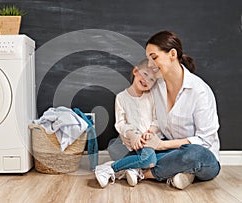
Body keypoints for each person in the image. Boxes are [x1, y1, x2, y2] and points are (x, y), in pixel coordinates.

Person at [131, 30, 221, 190]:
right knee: (129, 148)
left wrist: (160, 146)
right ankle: (180, 174)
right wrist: (149, 135)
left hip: (202, 158)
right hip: (171, 152)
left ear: (172, 54)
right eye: (148, 59)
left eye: (154, 57)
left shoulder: (199, 91)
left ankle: (144, 173)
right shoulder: (157, 86)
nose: (150, 65)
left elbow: (205, 141)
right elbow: (159, 120)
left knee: (193, 154)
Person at [95, 58, 161, 188]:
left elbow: (156, 119)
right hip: (129, 140)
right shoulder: (121, 97)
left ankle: (110, 168)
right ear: (136, 71)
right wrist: (132, 135)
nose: (146, 80)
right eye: (145, 74)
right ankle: (133, 169)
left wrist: (150, 132)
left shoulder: (151, 97)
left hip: (147, 139)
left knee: (150, 160)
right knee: (116, 149)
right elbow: (120, 123)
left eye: (152, 79)